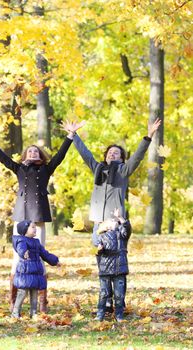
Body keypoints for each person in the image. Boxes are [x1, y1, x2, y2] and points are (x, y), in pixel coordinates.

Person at [0, 121, 83, 312]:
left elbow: (60, 156)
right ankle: (13, 300)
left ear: (40, 155)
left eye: (36, 152)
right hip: (22, 218)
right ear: (25, 155)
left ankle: (42, 302)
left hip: (38, 217)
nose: (33, 154)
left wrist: (70, 136)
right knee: (17, 259)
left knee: (39, 257)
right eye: (30, 152)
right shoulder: (19, 168)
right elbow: (2, 157)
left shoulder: (46, 169)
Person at [70, 118, 161, 312]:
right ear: (106, 155)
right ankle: (107, 300)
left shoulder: (123, 171)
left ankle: (120, 301)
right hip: (98, 222)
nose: (113, 154)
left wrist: (149, 136)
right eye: (110, 152)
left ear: (121, 157)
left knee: (118, 263)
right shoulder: (98, 170)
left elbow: (137, 157)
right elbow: (85, 154)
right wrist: (74, 135)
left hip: (116, 223)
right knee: (102, 259)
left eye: (117, 153)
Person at [11, 220, 60, 319]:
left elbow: (45, 254)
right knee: (22, 292)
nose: (35, 229)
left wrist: (55, 261)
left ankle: (33, 313)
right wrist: (23, 252)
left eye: (35, 227)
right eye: (32, 227)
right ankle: (15, 312)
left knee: (34, 293)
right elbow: (20, 248)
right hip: (25, 271)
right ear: (25, 230)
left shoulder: (36, 242)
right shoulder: (21, 240)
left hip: (36, 271)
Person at [95, 209, 131, 322]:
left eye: (116, 221)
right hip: (105, 270)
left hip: (119, 269)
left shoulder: (122, 235)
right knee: (104, 294)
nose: (114, 221)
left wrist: (120, 217)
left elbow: (127, 228)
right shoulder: (101, 237)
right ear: (106, 225)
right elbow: (97, 252)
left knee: (119, 295)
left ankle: (119, 315)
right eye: (111, 220)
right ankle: (100, 314)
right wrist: (99, 250)